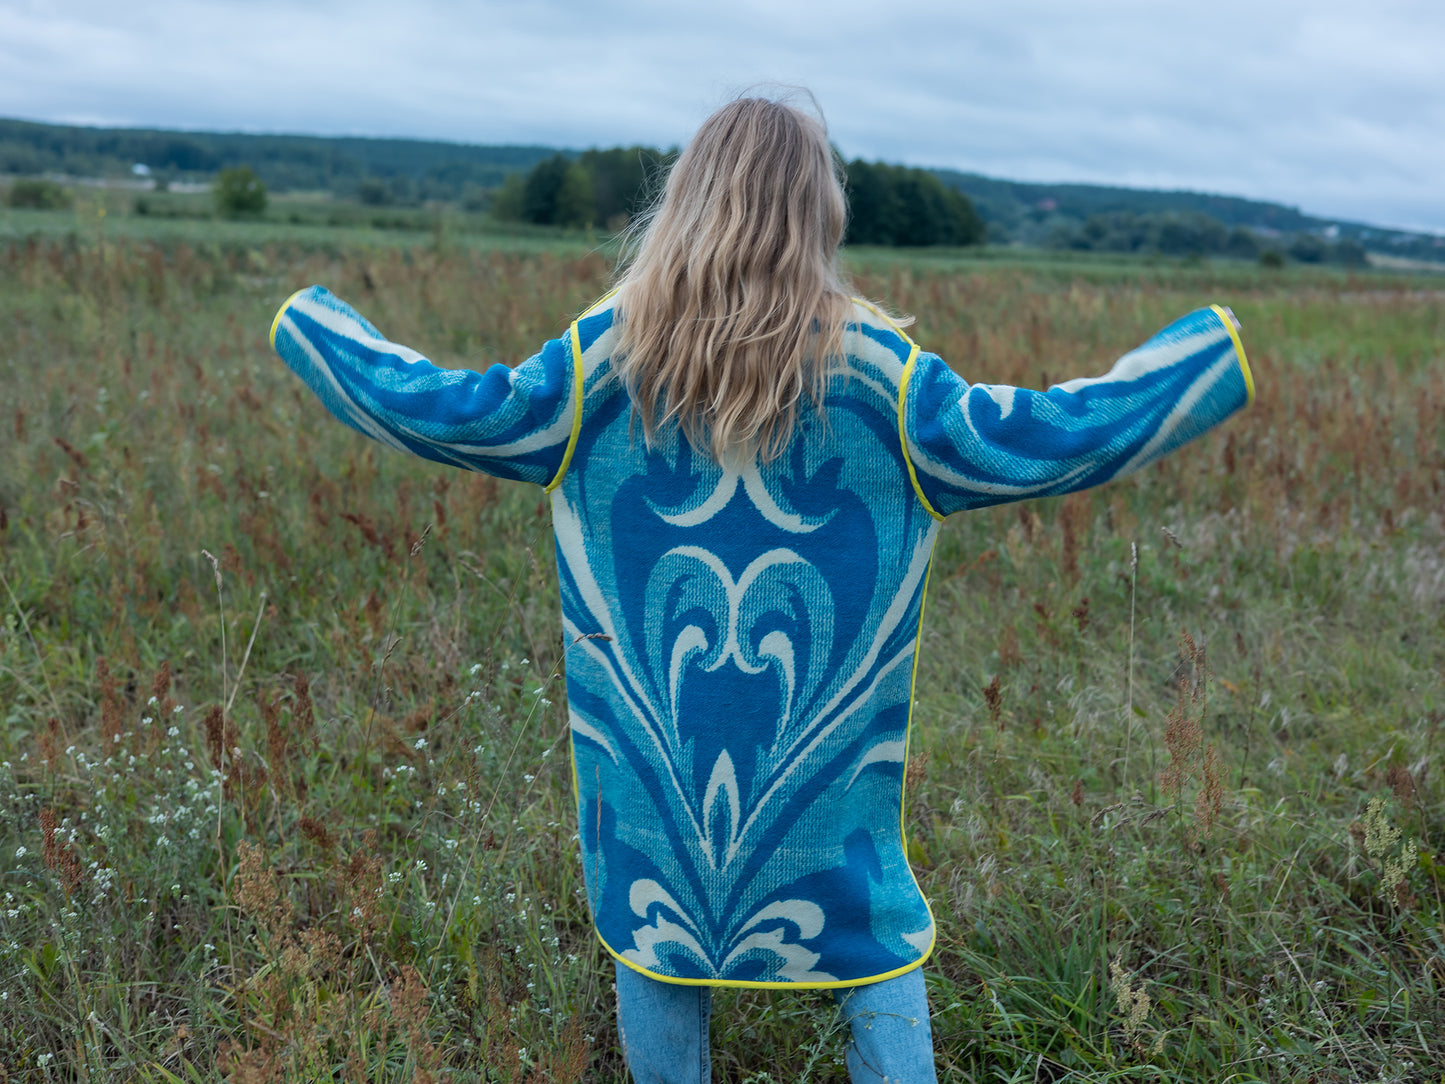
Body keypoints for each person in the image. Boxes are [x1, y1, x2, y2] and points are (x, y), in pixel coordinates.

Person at [271, 93, 1253, 1084]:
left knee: (654, 928)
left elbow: (451, 411)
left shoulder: (597, 363)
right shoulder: (885, 379)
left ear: (685, 203)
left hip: (654, 793)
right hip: (821, 797)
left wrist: (316, 329)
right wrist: (1197, 360)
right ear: (817, 211)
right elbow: (1043, 436)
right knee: (868, 934)